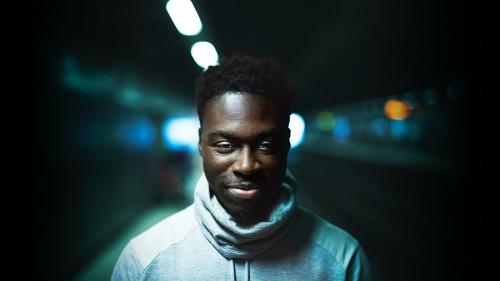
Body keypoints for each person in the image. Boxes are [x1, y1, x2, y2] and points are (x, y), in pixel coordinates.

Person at [111, 54, 370, 280]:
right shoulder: (145, 261)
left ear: (287, 144)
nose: (246, 166)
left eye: (266, 145)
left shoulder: (343, 260)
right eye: (225, 145)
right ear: (200, 143)